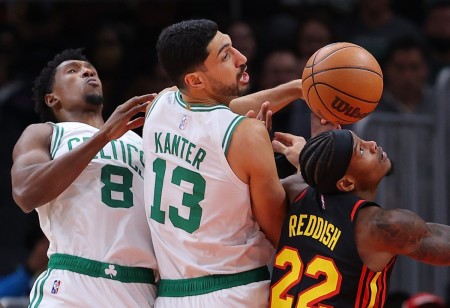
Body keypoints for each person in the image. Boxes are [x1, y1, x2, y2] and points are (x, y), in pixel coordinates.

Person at [143, 19, 303, 307]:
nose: (242, 58)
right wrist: (305, 168)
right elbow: (280, 231)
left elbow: (218, 109)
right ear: (195, 80)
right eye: (226, 55)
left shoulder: (160, 105)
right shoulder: (248, 134)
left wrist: (296, 89)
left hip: (171, 296)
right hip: (235, 292)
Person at [11, 48, 157, 307]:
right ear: (52, 98)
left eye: (90, 69)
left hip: (140, 286)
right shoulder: (46, 133)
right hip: (71, 283)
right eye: (73, 70)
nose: (87, 71)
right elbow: (25, 193)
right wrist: (101, 138)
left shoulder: (141, 141)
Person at [269, 128, 450, 307]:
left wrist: (306, 162)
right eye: (361, 150)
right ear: (346, 183)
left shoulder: (293, 191)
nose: (372, 144)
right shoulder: (379, 226)